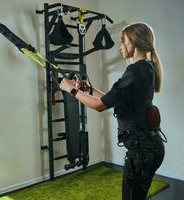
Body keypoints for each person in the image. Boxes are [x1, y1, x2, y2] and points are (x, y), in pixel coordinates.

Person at [59, 22, 165, 200]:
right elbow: (110, 99)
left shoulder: (135, 71)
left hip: (142, 152)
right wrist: (88, 90)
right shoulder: (145, 68)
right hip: (149, 148)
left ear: (134, 42)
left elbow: (99, 106)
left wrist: (71, 90)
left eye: (123, 41)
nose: (120, 47)